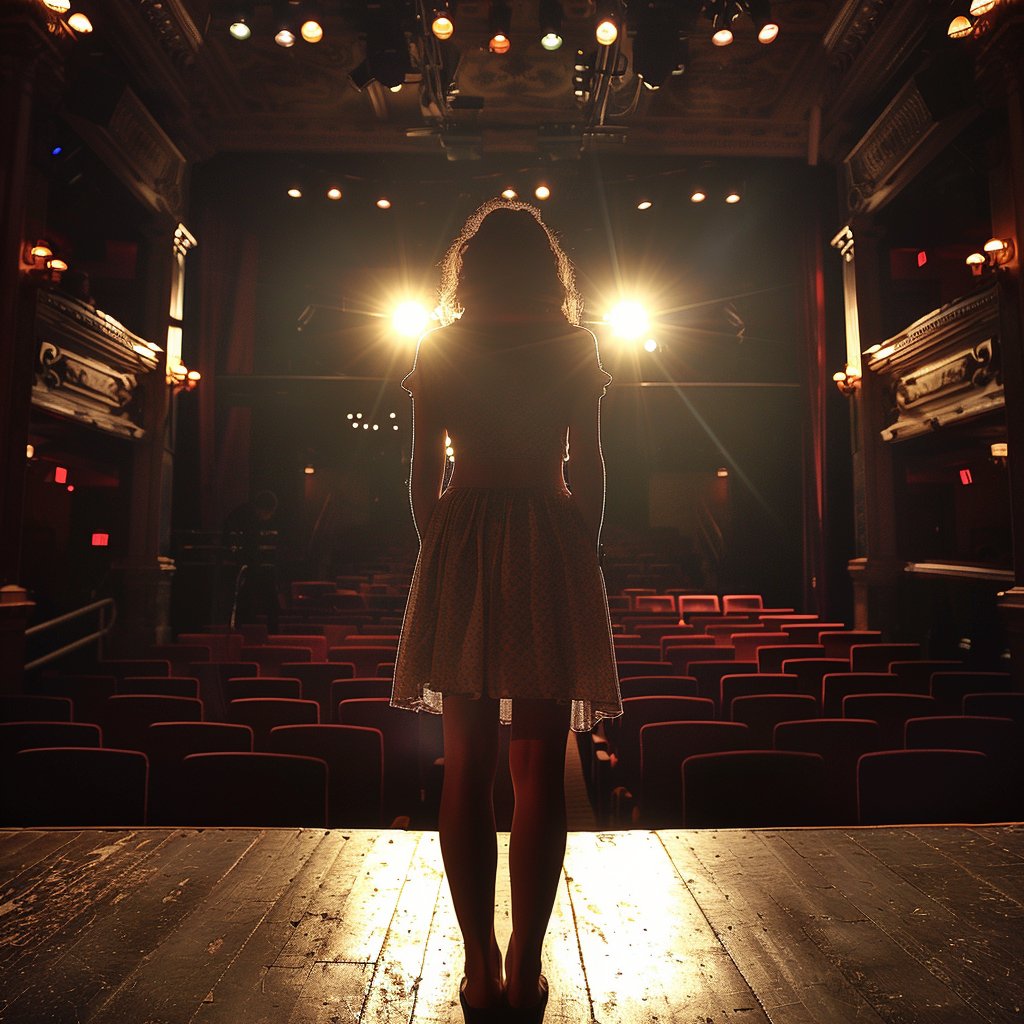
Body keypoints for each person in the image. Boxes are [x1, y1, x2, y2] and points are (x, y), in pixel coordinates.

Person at [392, 199, 622, 1023]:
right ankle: (525, 965)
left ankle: (481, 967)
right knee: (538, 775)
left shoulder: (439, 343)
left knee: (466, 770)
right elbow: (590, 467)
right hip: (547, 534)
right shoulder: (576, 343)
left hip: (467, 529)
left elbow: (421, 470)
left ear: (471, 268)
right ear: (544, 269)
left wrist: (442, 547)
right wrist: (580, 554)